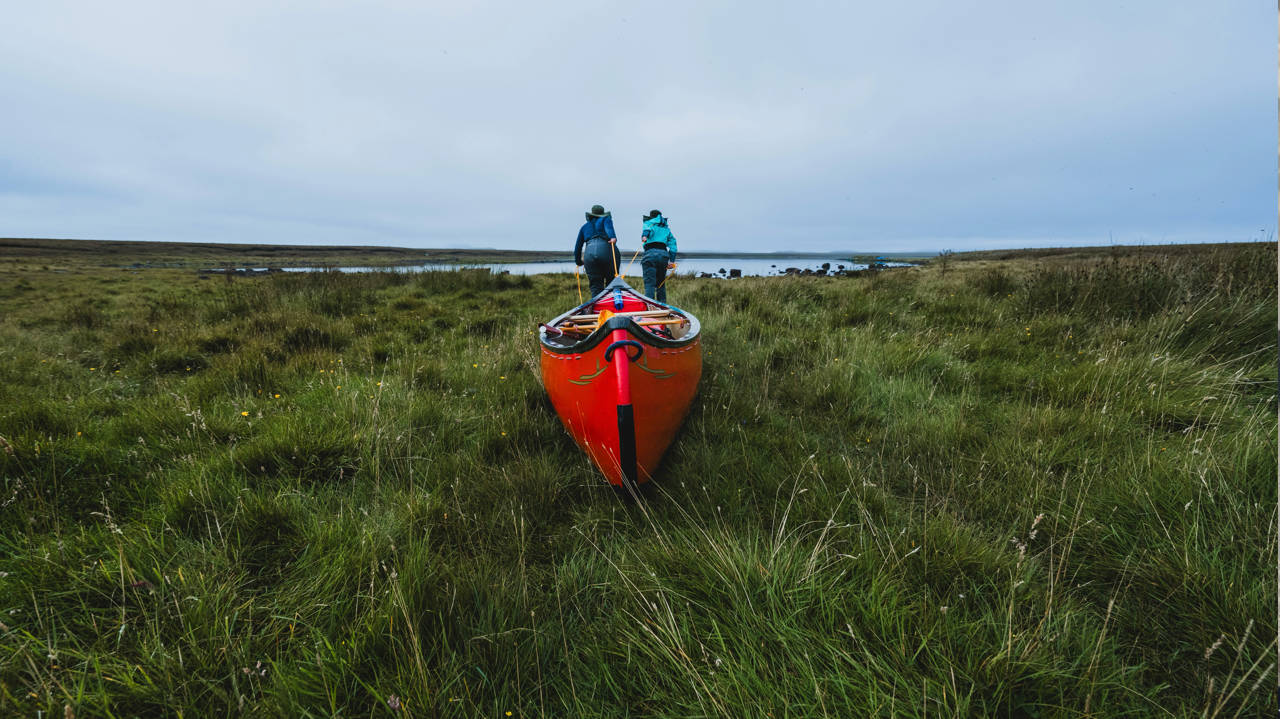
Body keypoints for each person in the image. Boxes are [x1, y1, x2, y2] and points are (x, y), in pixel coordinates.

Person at [574, 204, 620, 297]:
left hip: (589, 255)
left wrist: (579, 262)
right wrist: (613, 237)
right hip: (606, 251)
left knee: (595, 286)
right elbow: (609, 229)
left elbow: (577, 248)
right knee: (611, 283)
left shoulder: (584, 227)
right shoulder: (606, 219)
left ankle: (597, 310)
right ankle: (610, 308)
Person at [640, 209, 678, 303]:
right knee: (661, 283)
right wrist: (672, 261)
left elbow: (647, 230)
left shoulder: (649, 223)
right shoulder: (666, 229)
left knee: (650, 284)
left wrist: (644, 236)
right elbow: (673, 246)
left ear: (651, 217)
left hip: (650, 254)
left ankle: (649, 308)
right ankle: (663, 307)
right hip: (663, 256)